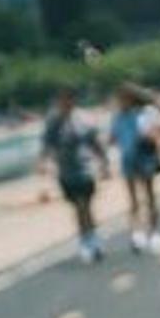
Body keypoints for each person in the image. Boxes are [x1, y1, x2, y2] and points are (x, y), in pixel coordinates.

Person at [40, 89, 110, 264]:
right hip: (65, 171)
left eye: (68, 99)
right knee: (77, 207)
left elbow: (95, 143)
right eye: (62, 100)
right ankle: (86, 238)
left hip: (84, 169)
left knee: (85, 205)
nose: (65, 103)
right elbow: (47, 144)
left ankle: (91, 240)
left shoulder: (84, 119)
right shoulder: (53, 121)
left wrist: (104, 163)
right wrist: (43, 161)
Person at [111, 83, 160, 255]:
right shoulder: (119, 117)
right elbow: (113, 138)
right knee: (133, 199)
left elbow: (158, 134)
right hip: (128, 160)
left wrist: (151, 136)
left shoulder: (146, 113)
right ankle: (137, 234)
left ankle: (154, 232)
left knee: (150, 196)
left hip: (145, 158)